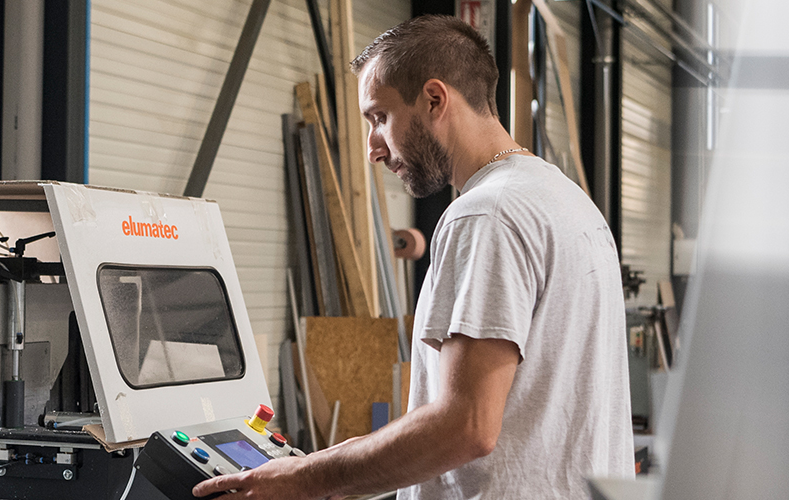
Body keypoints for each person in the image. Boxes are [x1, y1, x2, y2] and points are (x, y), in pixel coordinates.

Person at [193, 15, 632, 500]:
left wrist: (307, 480)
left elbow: (466, 426)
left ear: (434, 99)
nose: (372, 150)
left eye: (379, 117)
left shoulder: (486, 215)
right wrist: (328, 460)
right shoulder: (564, 199)